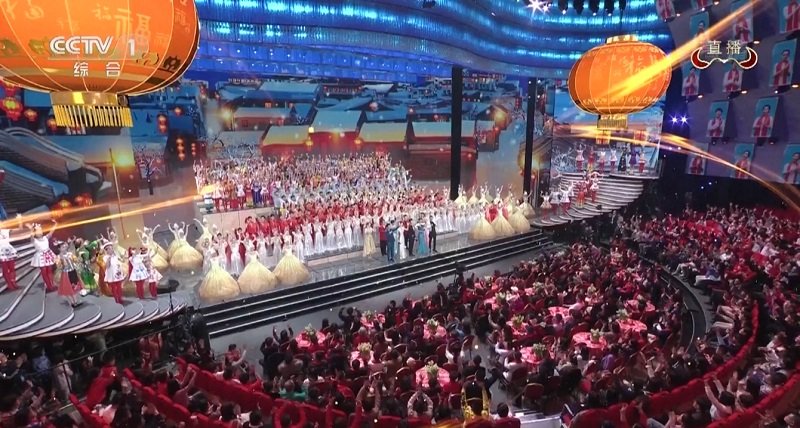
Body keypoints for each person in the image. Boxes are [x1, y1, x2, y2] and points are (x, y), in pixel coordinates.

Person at [28, 221, 57, 292]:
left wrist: (55, 224)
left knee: (49, 271)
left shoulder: (45, 238)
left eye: (40, 231)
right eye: (37, 231)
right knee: (44, 272)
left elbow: (51, 232)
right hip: (40, 256)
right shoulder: (34, 240)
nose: (39, 232)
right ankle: (49, 286)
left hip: (48, 254)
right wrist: (31, 229)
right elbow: (31, 237)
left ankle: (52, 284)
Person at [55, 241, 81, 307]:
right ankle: (72, 302)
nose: (64, 248)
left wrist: (77, 259)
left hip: (73, 271)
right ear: (59, 249)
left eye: (64, 246)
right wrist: (62, 259)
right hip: (66, 274)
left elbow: (76, 260)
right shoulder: (58, 257)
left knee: (74, 287)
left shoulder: (70, 254)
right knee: (67, 288)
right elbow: (59, 266)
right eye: (62, 247)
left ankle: (75, 301)